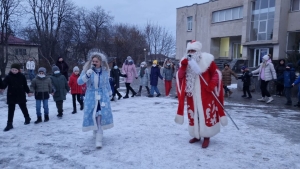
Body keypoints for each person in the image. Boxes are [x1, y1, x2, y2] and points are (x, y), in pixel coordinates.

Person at [175, 40, 227, 148]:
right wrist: (183, 67)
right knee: (194, 115)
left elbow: (216, 73)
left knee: (205, 114)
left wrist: (212, 84)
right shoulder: (184, 62)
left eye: (193, 50)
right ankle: (196, 135)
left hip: (206, 94)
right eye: (189, 50)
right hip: (191, 94)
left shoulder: (207, 60)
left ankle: (206, 136)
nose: (191, 53)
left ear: (198, 51)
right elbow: (180, 77)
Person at [77, 49, 113, 148]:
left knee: (100, 116)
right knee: (93, 115)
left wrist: (110, 93)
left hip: (103, 97)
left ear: (101, 62)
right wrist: (87, 75)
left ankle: (99, 138)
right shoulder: (87, 71)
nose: (94, 63)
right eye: (93, 61)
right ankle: (95, 130)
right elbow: (79, 82)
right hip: (91, 96)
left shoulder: (105, 71)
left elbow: (107, 83)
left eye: (96, 61)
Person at [0, 63, 32, 131]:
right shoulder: (8, 77)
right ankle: (9, 124)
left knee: (23, 107)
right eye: (12, 70)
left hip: (21, 94)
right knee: (11, 110)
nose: (14, 71)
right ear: (11, 70)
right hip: (11, 95)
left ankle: (27, 118)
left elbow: (25, 85)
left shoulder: (22, 76)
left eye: (15, 70)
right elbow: (4, 85)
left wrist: (28, 92)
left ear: (18, 70)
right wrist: (1, 85)